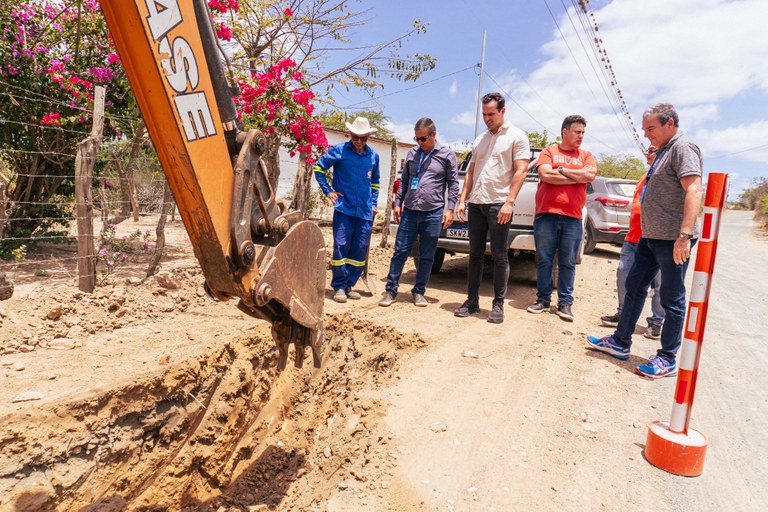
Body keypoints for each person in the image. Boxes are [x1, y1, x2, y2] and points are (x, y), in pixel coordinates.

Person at [587, 103, 703, 379]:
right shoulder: (663, 152)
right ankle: (620, 341)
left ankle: (667, 358)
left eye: (650, 128)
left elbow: (694, 190)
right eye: (644, 129)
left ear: (670, 124)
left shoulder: (683, 148)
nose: (645, 134)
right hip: (650, 238)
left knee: (671, 298)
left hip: (672, 239)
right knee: (635, 287)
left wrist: (684, 236)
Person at [454, 92, 530, 323]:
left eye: (491, 114)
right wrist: (461, 199)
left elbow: (521, 170)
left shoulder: (517, 136)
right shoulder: (480, 139)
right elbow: (470, 171)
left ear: (502, 111)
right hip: (477, 203)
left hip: (499, 204)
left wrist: (510, 202)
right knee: (474, 255)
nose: (487, 118)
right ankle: (472, 301)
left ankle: (498, 305)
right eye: (484, 114)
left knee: (499, 256)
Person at [379, 118, 459, 307]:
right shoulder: (412, 154)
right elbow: (405, 181)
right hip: (410, 211)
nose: (419, 143)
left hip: (433, 212)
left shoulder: (447, 155)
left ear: (433, 135)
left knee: (427, 255)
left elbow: (453, 184)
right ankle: (390, 291)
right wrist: (397, 202)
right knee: (400, 251)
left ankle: (419, 292)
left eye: (423, 139)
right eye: (417, 139)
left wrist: (450, 209)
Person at [527, 115, 596, 321]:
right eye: (577, 132)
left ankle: (565, 304)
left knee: (568, 262)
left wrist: (562, 170)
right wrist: (577, 176)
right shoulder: (549, 151)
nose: (581, 136)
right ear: (565, 132)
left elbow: (590, 176)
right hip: (546, 215)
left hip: (572, 218)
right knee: (544, 260)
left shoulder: (586, 155)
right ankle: (543, 300)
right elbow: (546, 175)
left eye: (583, 132)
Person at [599, 146, 665, 339]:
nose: (648, 153)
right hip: (633, 238)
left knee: (660, 284)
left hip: (656, 239)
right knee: (624, 275)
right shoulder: (644, 177)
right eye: (647, 150)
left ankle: (656, 323)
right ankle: (623, 314)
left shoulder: (666, 177)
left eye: (653, 150)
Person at [313, 117, 380, 303]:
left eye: (363, 138)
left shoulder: (374, 156)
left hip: (365, 211)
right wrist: (328, 191)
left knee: (359, 250)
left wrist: (374, 204)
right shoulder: (339, 151)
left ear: (368, 137)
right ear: (350, 135)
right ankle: (339, 286)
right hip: (344, 209)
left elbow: (375, 182)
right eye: (355, 137)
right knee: (341, 247)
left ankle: (350, 284)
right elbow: (318, 168)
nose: (359, 142)